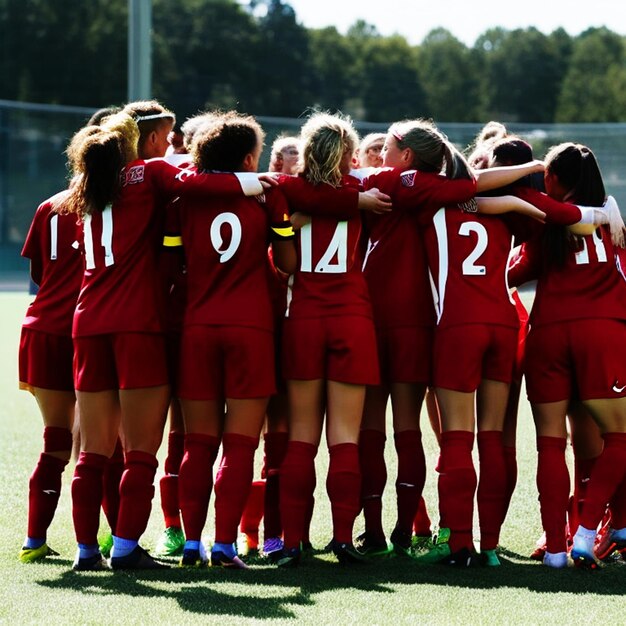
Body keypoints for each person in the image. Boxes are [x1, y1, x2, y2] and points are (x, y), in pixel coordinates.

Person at [64, 111, 273, 571]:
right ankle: (123, 548)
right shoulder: (152, 172)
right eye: (167, 136)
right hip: (137, 323)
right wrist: (261, 183)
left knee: (92, 452)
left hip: (87, 322)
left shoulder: (85, 185)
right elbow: (205, 183)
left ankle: (85, 551)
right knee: (140, 452)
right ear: (151, 139)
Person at [174, 112, 296, 569]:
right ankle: (224, 545)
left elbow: (174, 264)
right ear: (249, 158)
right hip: (250, 329)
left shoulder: (184, 198)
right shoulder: (266, 196)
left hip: (198, 326)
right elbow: (286, 262)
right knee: (240, 444)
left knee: (197, 444)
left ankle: (190, 545)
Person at [275, 113, 385, 566]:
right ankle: (342, 539)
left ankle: (293, 542)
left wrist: (291, 224)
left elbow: (283, 265)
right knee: (344, 437)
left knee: (301, 437)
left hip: (304, 317)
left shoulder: (286, 192)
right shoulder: (361, 193)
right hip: (352, 319)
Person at [509, 142, 626, 568]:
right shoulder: (613, 225)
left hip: (549, 335)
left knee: (550, 446)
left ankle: (555, 549)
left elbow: (514, 272)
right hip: (601, 334)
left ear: (554, 179)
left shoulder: (545, 220)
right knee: (618, 438)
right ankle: (587, 532)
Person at [17, 188, 82, 563]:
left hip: (42, 327)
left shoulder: (49, 205)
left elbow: (38, 273)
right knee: (101, 445)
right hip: (91, 329)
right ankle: (104, 543)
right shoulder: (116, 204)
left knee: (55, 440)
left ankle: (34, 540)